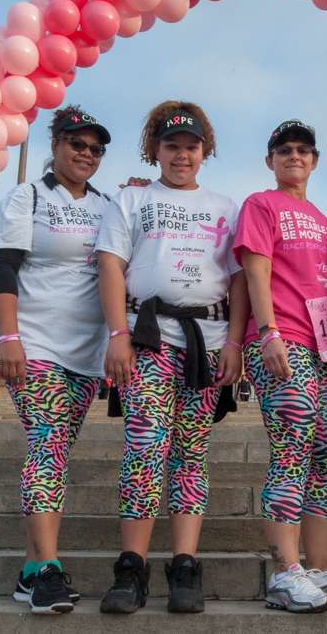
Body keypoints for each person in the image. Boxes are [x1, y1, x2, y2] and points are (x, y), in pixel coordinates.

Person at [95, 101, 246, 615]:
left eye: (191, 146)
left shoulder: (227, 207)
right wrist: (117, 333)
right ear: (154, 150)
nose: (182, 155)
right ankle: (131, 566)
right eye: (172, 146)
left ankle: (185, 564)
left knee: (190, 455)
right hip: (148, 337)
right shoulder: (132, 201)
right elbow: (111, 267)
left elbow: (240, 280)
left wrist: (235, 343)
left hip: (206, 340)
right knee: (144, 449)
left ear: (205, 152)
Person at [235, 119, 327, 613]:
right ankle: (284, 573)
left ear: (314, 161)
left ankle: (319, 567)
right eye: (284, 150)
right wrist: (267, 331)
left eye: (303, 151)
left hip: (324, 350)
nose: (294, 157)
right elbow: (255, 268)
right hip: (281, 340)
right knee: (294, 445)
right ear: (271, 161)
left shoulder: (320, 216)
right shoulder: (261, 204)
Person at [0, 105, 113, 615]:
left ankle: (29, 569)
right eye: (76, 144)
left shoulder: (108, 205)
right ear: (55, 146)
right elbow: (3, 270)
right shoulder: (27, 196)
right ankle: (49, 573)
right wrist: (8, 336)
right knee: (48, 444)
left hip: (86, 354)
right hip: (35, 343)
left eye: (95, 148)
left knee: (56, 450)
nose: (85, 154)